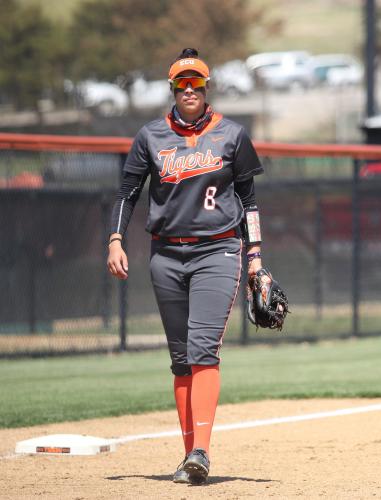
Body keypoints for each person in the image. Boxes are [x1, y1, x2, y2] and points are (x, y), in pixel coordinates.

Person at [107, 48, 265, 485]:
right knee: (181, 360)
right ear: (173, 89)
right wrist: (116, 239)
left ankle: (201, 451)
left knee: (201, 348)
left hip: (218, 251)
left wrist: (254, 256)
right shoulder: (151, 136)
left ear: (206, 87)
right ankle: (190, 458)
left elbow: (249, 201)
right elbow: (126, 194)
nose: (190, 89)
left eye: (197, 82)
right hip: (166, 255)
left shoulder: (231, 135)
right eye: (183, 83)